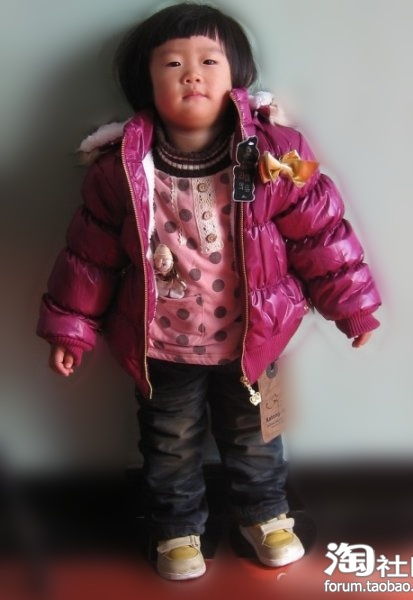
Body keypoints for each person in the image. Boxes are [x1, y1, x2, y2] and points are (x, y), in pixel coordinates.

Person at [36, 2, 381, 581]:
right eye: (173, 64)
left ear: (237, 76)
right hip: (161, 345)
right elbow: (89, 255)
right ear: (146, 83)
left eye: (208, 61)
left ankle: (265, 514)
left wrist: (353, 308)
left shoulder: (273, 156)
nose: (191, 74)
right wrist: (71, 328)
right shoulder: (121, 169)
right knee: (168, 442)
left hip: (255, 339)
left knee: (258, 436)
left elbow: (320, 236)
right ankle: (176, 528)